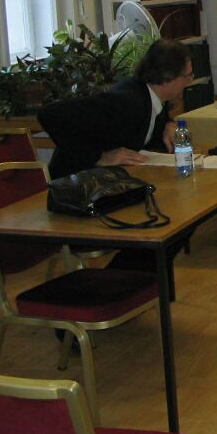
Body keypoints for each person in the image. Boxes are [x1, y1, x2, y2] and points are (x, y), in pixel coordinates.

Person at [38, 39, 193, 271]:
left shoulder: (151, 97)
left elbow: (150, 121)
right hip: (78, 191)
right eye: (187, 76)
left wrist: (168, 124)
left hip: (110, 186)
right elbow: (50, 115)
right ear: (168, 77)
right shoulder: (127, 100)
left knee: (181, 219)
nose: (189, 82)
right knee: (171, 221)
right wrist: (100, 156)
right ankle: (122, 278)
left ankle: (131, 279)